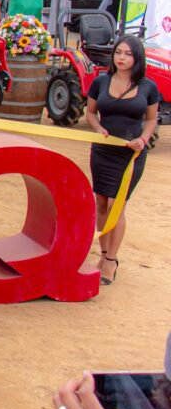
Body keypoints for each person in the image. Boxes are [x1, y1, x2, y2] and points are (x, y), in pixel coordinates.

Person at [85, 35, 159, 286]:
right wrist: (97, 129)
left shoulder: (148, 87)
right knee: (102, 204)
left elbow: (151, 120)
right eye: (118, 52)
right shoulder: (100, 82)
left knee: (118, 205)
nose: (122, 57)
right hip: (103, 151)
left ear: (137, 58)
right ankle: (104, 254)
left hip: (131, 154)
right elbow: (91, 113)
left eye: (128, 54)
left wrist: (143, 138)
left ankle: (111, 261)